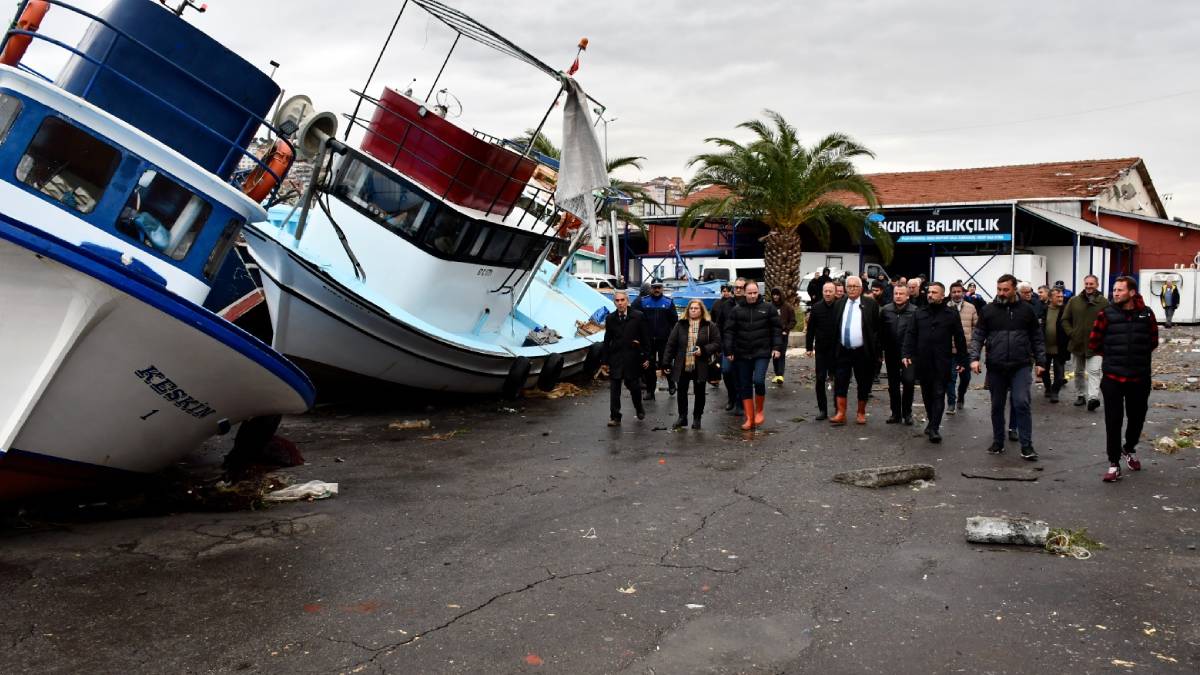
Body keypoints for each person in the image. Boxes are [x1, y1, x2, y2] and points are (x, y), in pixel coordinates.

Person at [969, 274, 1047, 460]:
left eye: (1006, 290)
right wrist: (974, 358)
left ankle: (1026, 446)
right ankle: (998, 441)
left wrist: (1041, 362)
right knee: (997, 405)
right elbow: (978, 336)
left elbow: (1037, 337)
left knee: (1021, 402)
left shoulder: (1026, 311)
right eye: (999, 289)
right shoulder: (988, 311)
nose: (1002, 293)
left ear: (1014, 290)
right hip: (996, 366)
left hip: (1021, 365)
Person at [1089, 276, 1158, 482]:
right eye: (1114, 290)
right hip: (1113, 378)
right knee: (1113, 421)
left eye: (1120, 290)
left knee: (1137, 418)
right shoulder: (1106, 314)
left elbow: (1153, 342)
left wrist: (1136, 358)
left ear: (1132, 292)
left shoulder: (1147, 314)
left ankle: (1129, 448)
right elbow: (1094, 343)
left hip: (1139, 378)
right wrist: (1114, 358)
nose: (1115, 293)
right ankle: (1113, 463)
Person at [903, 282, 968, 443]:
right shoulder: (919, 313)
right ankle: (932, 421)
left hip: (942, 361)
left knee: (939, 393)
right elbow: (911, 334)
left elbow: (959, 337)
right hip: (923, 361)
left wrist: (962, 360)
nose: (930, 295)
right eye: (929, 292)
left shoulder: (951, 314)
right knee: (927, 394)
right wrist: (907, 353)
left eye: (934, 292)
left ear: (942, 295)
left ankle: (934, 428)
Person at [724, 281, 783, 430]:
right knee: (745, 385)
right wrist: (728, 350)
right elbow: (729, 331)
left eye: (755, 293)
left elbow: (776, 329)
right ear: (744, 293)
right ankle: (749, 418)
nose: (752, 296)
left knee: (758, 380)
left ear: (759, 292)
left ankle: (759, 411)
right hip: (742, 353)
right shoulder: (737, 310)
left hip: (761, 351)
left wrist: (777, 347)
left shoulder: (768, 308)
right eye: (749, 293)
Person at [830, 276, 882, 425]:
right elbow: (835, 327)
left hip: (862, 351)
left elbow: (877, 329)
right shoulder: (839, 304)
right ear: (845, 288)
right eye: (849, 286)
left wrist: (877, 352)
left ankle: (861, 412)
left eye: (855, 286)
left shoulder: (870, 304)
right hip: (843, 350)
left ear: (861, 288)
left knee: (863, 382)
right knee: (840, 381)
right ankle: (841, 413)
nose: (852, 289)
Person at [664, 299, 722, 430]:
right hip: (682, 363)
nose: (693, 310)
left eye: (696, 308)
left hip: (701, 364)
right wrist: (666, 363)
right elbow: (671, 344)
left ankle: (697, 418)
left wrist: (704, 350)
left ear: (701, 310)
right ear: (688, 310)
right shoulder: (680, 324)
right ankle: (682, 417)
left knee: (699, 392)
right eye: (691, 308)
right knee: (681, 391)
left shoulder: (709, 325)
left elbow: (717, 343)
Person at [1062, 274, 1109, 411]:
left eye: (1091, 284)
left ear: (1097, 285)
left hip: (1096, 344)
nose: (1088, 286)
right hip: (1077, 343)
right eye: (1086, 284)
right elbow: (1065, 319)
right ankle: (1080, 395)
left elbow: (1109, 322)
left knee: (1094, 371)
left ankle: (1093, 398)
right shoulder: (1074, 301)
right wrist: (1071, 333)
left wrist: (1103, 337)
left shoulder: (1104, 303)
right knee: (1078, 372)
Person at [602, 291, 649, 426]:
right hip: (616, 358)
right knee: (614, 389)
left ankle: (639, 407)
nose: (620, 303)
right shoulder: (610, 318)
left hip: (632, 358)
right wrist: (604, 361)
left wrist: (647, 356)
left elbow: (646, 338)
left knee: (634, 386)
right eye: (617, 301)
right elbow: (607, 340)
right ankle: (615, 416)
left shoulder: (638, 316)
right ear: (614, 302)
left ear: (627, 301)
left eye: (622, 300)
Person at [632, 281, 677, 399]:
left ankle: (671, 383)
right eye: (654, 287)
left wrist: (673, 338)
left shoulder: (668, 302)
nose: (657, 290)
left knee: (665, 362)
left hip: (664, 340)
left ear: (662, 288)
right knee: (649, 366)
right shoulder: (643, 302)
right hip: (648, 340)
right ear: (651, 288)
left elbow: (674, 322)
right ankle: (650, 391)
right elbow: (635, 318)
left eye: (659, 287)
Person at [880, 284, 917, 425]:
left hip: (908, 354)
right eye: (896, 293)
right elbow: (880, 331)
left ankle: (907, 413)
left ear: (907, 296)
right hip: (891, 353)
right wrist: (880, 350)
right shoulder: (886, 310)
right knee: (893, 385)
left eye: (901, 294)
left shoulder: (914, 311)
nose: (898, 296)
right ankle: (895, 413)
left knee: (908, 381)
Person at [805, 281, 838, 421]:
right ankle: (822, 410)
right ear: (822, 292)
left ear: (835, 292)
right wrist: (808, 347)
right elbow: (811, 329)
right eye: (826, 291)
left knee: (838, 380)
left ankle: (838, 408)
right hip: (821, 350)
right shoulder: (816, 307)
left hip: (837, 350)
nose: (828, 294)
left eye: (830, 291)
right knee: (820, 379)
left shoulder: (840, 306)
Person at [946, 281, 978, 414]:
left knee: (965, 378)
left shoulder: (971, 308)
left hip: (966, 350)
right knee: (950, 378)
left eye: (959, 291)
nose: (956, 294)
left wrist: (974, 344)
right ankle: (951, 403)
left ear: (963, 293)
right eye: (954, 292)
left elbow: (976, 327)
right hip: (949, 349)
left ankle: (961, 396)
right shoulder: (945, 308)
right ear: (950, 293)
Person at [1043, 286, 1070, 403]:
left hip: (1060, 348)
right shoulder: (1043, 310)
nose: (1060, 299)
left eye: (1061, 296)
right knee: (1044, 371)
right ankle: (1048, 388)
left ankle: (1055, 392)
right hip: (1044, 348)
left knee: (1059, 374)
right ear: (1050, 298)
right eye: (1057, 296)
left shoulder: (1066, 311)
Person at [770, 288, 796, 384]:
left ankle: (780, 375)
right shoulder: (770, 306)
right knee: (774, 355)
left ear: (781, 295)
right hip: (772, 335)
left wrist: (786, 329)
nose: (775, 296)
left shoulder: (787, 307)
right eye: (774, 294)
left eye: (777, 294)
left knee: (781, 354)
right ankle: (777, 374)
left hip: (783, 334)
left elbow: (793, 321)